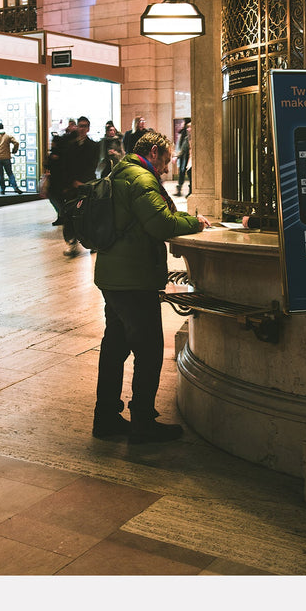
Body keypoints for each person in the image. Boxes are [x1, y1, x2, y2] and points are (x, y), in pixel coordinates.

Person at [91, 129, 212, 443]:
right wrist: (196, 222)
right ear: (155, 151)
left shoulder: (120, 172)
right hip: (133, 279)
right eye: (166, 160)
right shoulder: (142, 179)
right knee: (149, 350)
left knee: (115, 346)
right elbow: (162, 224)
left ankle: (105, 417)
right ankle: (142, 422)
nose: (167, 168)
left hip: (113, 276)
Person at [60, 115, 100, 256]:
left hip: (87, 184)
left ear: (88, 128)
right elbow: (66, 166)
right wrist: (71, 182)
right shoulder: (70, 146)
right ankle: (72, 242)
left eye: (85, 126)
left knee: (89, 215)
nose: (82, 129)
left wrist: (83, 182)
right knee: (70, 215)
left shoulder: (94, 146)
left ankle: (92, 242)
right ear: (77, 127)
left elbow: (92, 165)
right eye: (80, 126)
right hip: (73, 186)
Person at [0, 122, 23, 195]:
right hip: (6, 157)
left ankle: (2, 189)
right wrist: (14, 151)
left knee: (0, 174)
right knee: (10, 173)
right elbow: (16, 143)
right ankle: (15, 187)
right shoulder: (8, 136)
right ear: (3, 127)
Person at [175, 119, 192, 196]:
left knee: (190, 174)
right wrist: (176, 156)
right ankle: (188, 190)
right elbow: (182, 149)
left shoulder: (197, 138)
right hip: (187, 158)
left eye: (189, 127)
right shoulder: (186, 138)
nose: (187, 129)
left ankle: (191, 190)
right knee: (186, 172)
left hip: (193, 159)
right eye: (187, 127)